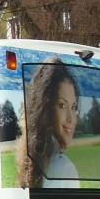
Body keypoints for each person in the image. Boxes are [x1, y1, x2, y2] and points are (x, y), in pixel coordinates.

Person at [16, 58, 80, 189]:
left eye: (73, 107)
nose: (71, 118)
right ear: (46, 109)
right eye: (62, 105)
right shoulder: (65, 168)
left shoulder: (32, 158)